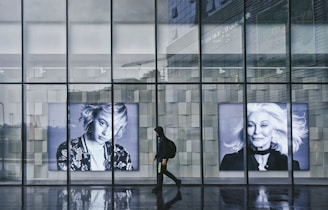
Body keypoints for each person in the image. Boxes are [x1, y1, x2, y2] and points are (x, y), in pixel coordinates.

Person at [220, 103, 308, 171]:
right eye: (250, 125)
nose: (256, 131)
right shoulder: (230, 162)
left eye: (264, 125)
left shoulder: (289, 165)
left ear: (274, 132)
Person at [56, 103, 133, 171]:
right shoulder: (67, 150)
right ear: (92, 116)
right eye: (102, 123)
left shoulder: (122, 154)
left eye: (114, 128)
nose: (105, 133)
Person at [152, 126, 181, 193]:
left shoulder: (163, 140)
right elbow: (160, 150)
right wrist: (156, 156)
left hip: (161, 159)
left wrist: (164, 159)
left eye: (156, 132)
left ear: (159, 132)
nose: (156, 134)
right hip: (160, 158)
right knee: (163, 171)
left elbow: (164, 150)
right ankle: (176, 181)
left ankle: (159, 186)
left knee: (160, 172)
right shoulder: (161, 139)